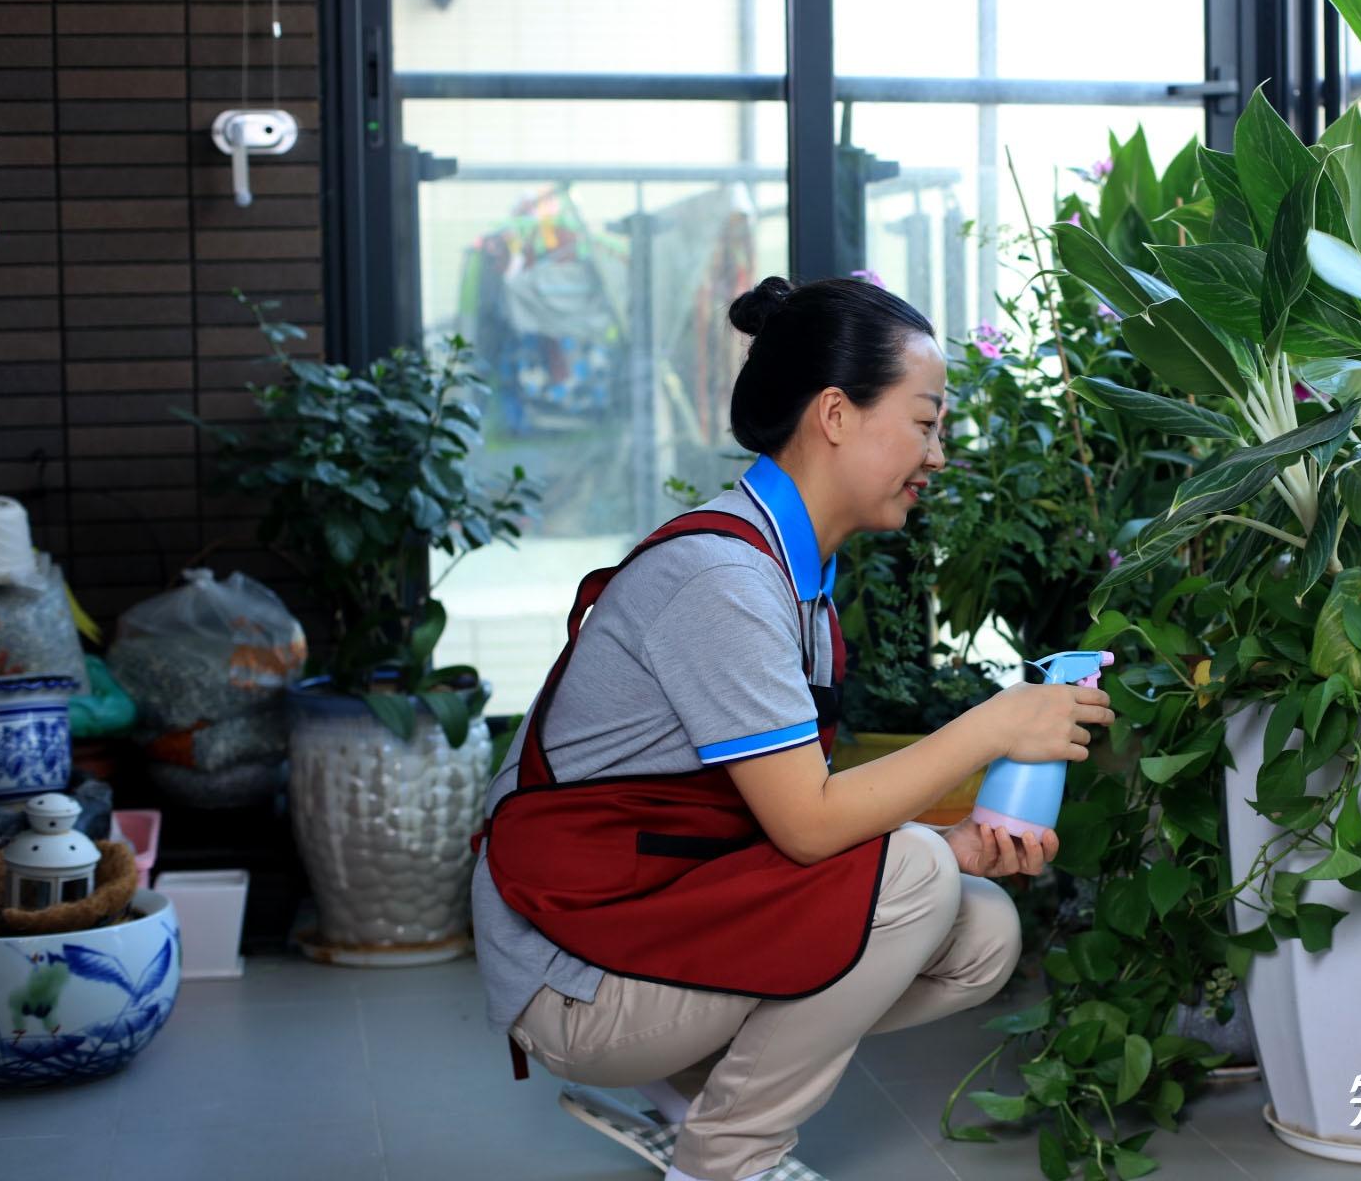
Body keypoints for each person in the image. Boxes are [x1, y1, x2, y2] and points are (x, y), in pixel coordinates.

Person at [471, 274, 1115, 1181]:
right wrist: (996, 725)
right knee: (918, 876)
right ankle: (728, 1158)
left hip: (653, 907)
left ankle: (694, 1088)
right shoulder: (722, 583)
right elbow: (807, 823)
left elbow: (765, 817)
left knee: (979, 933)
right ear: (836, 415)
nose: (939, 454)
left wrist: (957, 843)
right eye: (926, 421)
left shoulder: (792, 572)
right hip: (569, 971)